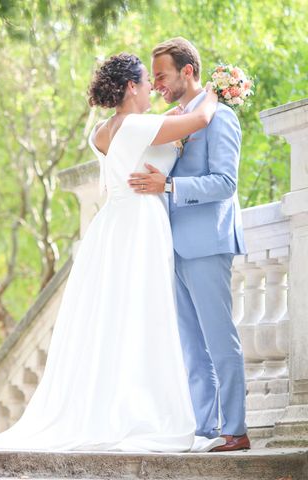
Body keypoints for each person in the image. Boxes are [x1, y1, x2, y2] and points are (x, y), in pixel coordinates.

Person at [0, 53, 225, 452]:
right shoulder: (137, 125)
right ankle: (143, 413)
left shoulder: (100, 130)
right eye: (146, 82)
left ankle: (125, 406)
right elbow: (199, 120)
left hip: (112, 226)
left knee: (118, 320)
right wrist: (216, 92)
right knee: (143, 317)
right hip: (140, 225)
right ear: (131, 87)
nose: (151, 89)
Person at [128, 37, 248, 452]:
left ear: (187, 71)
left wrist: (170, 185)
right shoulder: (173, 120)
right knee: (191, 347)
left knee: (219, 340)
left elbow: (225, 183)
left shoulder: (220, 118)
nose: (156, 84)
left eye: (161, 75)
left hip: (208, 242)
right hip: (172, 247)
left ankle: (237, 429)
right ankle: (206, 429)